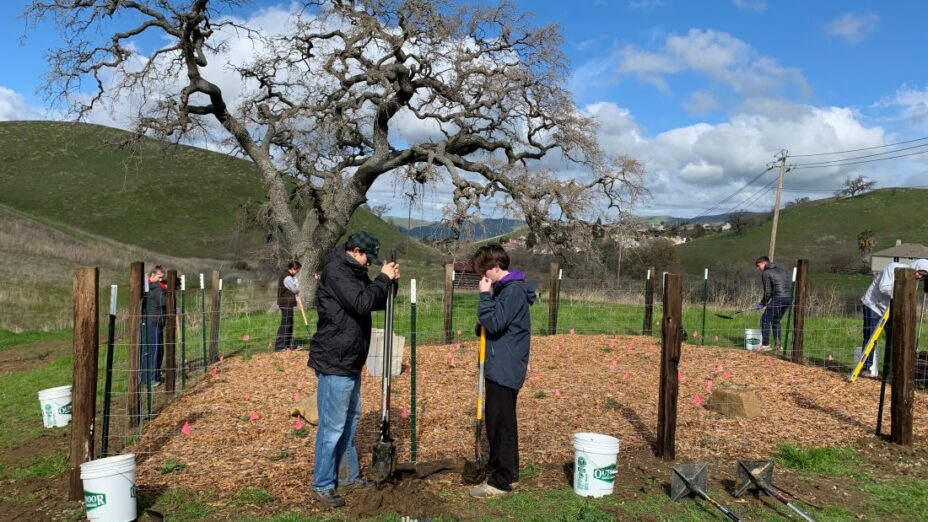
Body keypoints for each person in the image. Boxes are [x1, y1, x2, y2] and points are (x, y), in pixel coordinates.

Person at [308, 232, 400, 508]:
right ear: (355, 250)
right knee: (332, 426)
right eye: (367, 259)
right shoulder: (336, 272)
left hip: (350, 359)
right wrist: (383, 278)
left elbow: (375, 299)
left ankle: (348, 475)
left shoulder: (353, 271)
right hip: (335, 359)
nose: (368, 265)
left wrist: (391, 282)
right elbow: (361, 302)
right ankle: (323, 484)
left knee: (350, 420)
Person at [469, 244, 537, 498]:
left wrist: (485, 297)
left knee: (501, 423)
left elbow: (495, 322)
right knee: (502, 421)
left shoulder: (511, 292)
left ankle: (501, 481)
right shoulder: (506, 290)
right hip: (502, 362)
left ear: (495, 268)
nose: (482, 279)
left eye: (484, 273)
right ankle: (507, 470)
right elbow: (493, 325)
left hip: (504, 367)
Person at [859, 258, 928, 376]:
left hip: (889, 309)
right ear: (916, 267)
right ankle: (865, 368)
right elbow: (883, 287)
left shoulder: (913, 281)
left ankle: (889, 371)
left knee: (893, 338)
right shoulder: (892, 267)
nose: (919, 277)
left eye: (923, 276)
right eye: (919, 273)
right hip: (873, 304)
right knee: (870, 336)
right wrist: (901, 292)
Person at [755, 256, 791, 352]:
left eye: (759, 266)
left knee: (765, 319)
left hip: (778, 298)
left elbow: (768, 292)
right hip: (788, 298)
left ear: (763, 263)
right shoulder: (782, 270)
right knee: (776, 320)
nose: (759, 269)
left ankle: (765, 345)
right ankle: (778, 346)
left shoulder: (766, 273)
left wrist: (762, 304)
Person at [142, 266, 166, 387]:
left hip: (156, 322)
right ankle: (148, 378)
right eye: (159, 277)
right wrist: (163, 288)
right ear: (152, 275)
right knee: (152, 350)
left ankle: (154, 375)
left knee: (159, 350)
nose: (161, 280)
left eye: (162, 278)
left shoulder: (154, 287)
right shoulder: (153, 287)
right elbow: (163, 301)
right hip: (152, 323)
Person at [274, 260, 302, 351]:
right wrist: (297, 289)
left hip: (288, 303)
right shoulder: (287, 278)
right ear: (293, 268)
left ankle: (290, 345)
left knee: (289, 323)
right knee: (286, 324)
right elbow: (295, 289)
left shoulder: (290, 276)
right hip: (285, 303)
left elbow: (296, 285)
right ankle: (280, 346)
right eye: (297, 270)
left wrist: (296, 281)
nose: (298, 272)